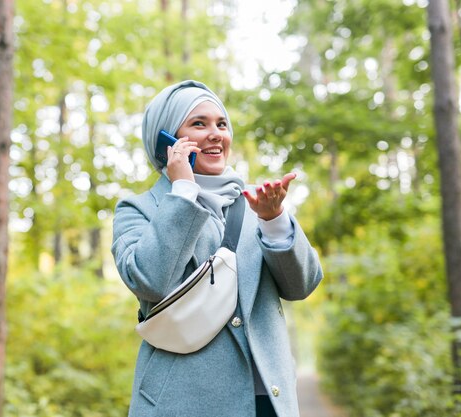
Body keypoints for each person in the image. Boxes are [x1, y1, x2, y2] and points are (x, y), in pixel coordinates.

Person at [111, 80, 323, 417]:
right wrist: (182, 191)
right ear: (167, 139)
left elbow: (302, 285)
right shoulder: (139, 208)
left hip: (269, 399)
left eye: (221, 124)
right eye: (199, 123)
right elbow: (149, 280)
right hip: (181, 402)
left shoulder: (260, 200)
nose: (216, 134)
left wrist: (274, 221)